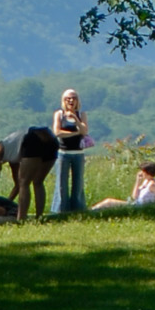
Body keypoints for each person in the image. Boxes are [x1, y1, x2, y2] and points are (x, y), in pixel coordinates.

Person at [51, 90, 91, 218]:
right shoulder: (59, 114)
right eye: (68, 98)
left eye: (73, 98)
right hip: (63, 153)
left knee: (78, 183)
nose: (71, 101)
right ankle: (60, 211)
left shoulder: (81, 114)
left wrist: (76, 120)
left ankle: (78, 210)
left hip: (78, 153)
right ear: (64, 100)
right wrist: (75, 133)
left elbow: (84, 131)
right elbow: (57, 132)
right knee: (61, 184)